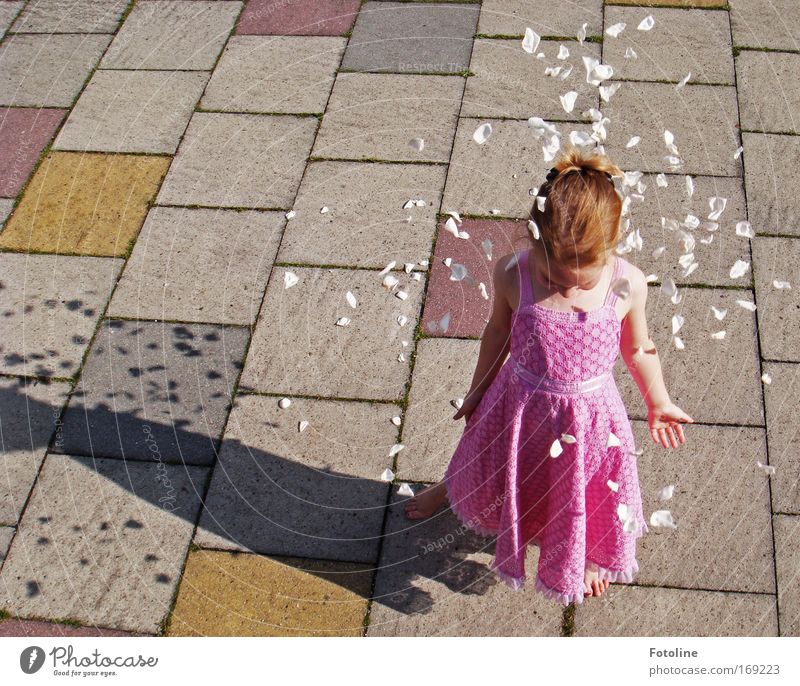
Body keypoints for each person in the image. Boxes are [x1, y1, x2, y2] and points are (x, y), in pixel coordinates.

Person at [404, 146, 694, 605]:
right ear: (532, 239)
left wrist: (657, 399)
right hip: (518, 407)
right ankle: (451, 488)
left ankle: (583, 553)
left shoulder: (625, 283)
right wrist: (477, 393)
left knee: (579, 489)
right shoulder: (514, 274)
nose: (564, 288)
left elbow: (639, 347)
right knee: (494, 464)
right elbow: (497, 332)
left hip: (589, 422)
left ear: (609, 252)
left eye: (580, 282)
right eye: (552, 275)